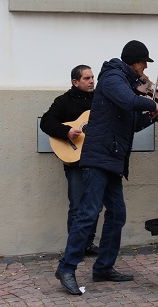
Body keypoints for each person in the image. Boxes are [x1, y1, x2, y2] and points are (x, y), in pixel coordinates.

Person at [54, 40, 158, 295]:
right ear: (133, 62)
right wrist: (152, 104)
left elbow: (134, 122)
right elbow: (129, 101)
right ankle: (66, 267)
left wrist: (157, 113)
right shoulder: (113, 76)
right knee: (88, 214)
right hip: (98, 157)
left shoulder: (127, 85)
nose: (144, 70)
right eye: (142, 64)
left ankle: (103, 267)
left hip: (113, 159)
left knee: (117, 214)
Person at [40, 65, 100, 257]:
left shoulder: (100, 100)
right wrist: (66, 132)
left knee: (95, 205)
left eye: (92, 77)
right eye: (86, 78)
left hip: (97, 159)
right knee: (77, 205)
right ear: (75, 82)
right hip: (74, 161)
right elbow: (46, 122)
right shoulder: (63, 101)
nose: (91, 81)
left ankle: (88, 243)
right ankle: (75, 247)